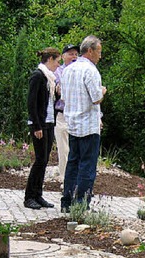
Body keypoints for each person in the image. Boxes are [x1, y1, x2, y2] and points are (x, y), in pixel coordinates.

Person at [60, 35, 106, 212]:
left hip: (73, 123)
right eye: (99, 51)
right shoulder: (90, 70)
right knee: (87, 165)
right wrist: (103, 91)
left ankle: (67, 202)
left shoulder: (68, 70)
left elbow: (63, 97)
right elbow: (96, 98)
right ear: (90, 51)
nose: (100, 56)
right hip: (88, 125)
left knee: (72, 164)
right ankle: (81, 204)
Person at [23, 47, 61, 210]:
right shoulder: (38, 76)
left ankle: (38, 194)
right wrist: (37, 125)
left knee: (44, 160)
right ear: (50, 59)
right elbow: (32, 103)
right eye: (58, 61)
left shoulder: (49, 79)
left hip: (49, 122)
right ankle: (29, 196)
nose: (58, 66)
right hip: (39, 123)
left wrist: (58, 94)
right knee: (39, 160)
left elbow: (49, 101)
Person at [54, 44, 79, 185]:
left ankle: (77, 179)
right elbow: (58, 90)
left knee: (77, 149)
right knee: (64, 148)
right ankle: (66, 179)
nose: (73, 56)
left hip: (77, 115)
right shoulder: (58, 71)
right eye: (70, 54)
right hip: (62, 114)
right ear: (63, 56)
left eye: (76, 54)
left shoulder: (82, 71)